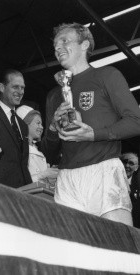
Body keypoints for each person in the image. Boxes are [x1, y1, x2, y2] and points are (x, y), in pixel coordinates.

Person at [43, 22, 140, 225]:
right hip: (67, 178)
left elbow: (135, 121)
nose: (57, 48)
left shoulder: (107, 76)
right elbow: (49, 153)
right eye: (55, 46)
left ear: (85, 44)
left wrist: (93, 134)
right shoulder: (54, 95)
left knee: (117, 245)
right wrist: (53, 127)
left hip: (104, 170)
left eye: (64, 41)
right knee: (72, 251)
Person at [0, 69, 32, 188]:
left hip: (22, 192)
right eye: (15, 87)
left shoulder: (23, 125)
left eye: (22, 88)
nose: (20, 92)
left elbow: (22, 163)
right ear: (2, 87)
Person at [16, 105, 58, 184]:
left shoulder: (37, 147)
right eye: (38, 123)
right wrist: (42, 175)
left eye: (41, 124)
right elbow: (18, 181)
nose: (41, 127)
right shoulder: (17, 148)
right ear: (25, 124)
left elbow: (50, 145)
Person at [121, 152, 140, 227]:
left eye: (131, 163)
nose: (127, 165)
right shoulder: (111, 180)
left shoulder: (137, 186)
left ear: (136, 168)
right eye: (124, 162)